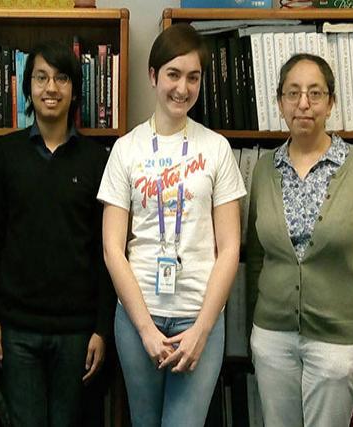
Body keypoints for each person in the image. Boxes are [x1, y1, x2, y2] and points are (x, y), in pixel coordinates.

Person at [97, 23, 245, 426]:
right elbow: (113, 248)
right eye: (173, 75)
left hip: (199, 316)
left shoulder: (216, 149)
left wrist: (202, 328)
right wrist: (145, 329)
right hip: (138, 317)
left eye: (193, 77)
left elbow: (229, 247)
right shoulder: (126, 150)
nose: (182, 88)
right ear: (153, 76)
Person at [246, 53, 353, 427]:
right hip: (272, 338)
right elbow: (256, 258)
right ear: (279, 103)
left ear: (331, 102)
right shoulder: (265, 170)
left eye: (315, 93)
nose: (303, 103)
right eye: (292, 93)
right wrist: (252, 329)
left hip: (337, 345)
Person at [0, 40, 115, 426]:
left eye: (61, 78)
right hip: (17, 328)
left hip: (77, 332)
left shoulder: (96, 160)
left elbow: (105, 252)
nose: (51, 88)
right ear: (28, 88)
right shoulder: (7, 154)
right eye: (40, 77)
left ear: (75, 89)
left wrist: (101, 329)